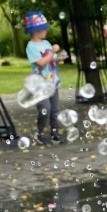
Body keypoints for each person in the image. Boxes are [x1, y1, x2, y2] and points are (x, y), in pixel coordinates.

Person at [24, 10, 65, 144]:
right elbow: (41, 63)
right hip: (40, 83)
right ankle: (40, 133)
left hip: (52, 81)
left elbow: (50, 61)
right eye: (43, 29)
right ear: (36, 30)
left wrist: (58, 58)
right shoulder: (31, 46)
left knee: (55, 110)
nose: (45, 31)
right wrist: (52, 52)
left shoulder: (46, 43)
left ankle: (55, 133)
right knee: (45, 109)